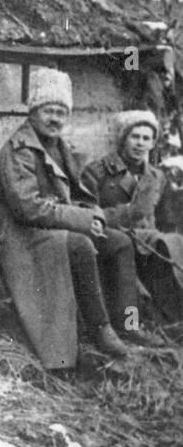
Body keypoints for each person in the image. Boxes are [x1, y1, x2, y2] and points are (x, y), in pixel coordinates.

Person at [0, 68, 150, 367]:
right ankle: (99, 329)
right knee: (80, 245)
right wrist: (80, 220)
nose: (56, 119)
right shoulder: (20, 151)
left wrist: (92, 214)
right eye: (49, 111)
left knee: (119, 243)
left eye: (61, 112)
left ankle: (127, 323)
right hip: (21, 234)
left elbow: (77, 194)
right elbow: (27, 208)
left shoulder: (60, 147)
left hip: (51, 225)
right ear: (33, 112)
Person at [80, 110, 183, 331]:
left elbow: (164, 219)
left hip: (148, 247)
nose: (140, 143)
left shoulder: (157, 177)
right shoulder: (97, 171)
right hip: (113, 243)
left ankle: (170, 323)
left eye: (146, 138)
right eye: (134, 136)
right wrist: (127, 213)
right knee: (132, 288)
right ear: (123, 138)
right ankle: (130, 326)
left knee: (172, 248)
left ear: (153, 143)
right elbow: (86, 211)